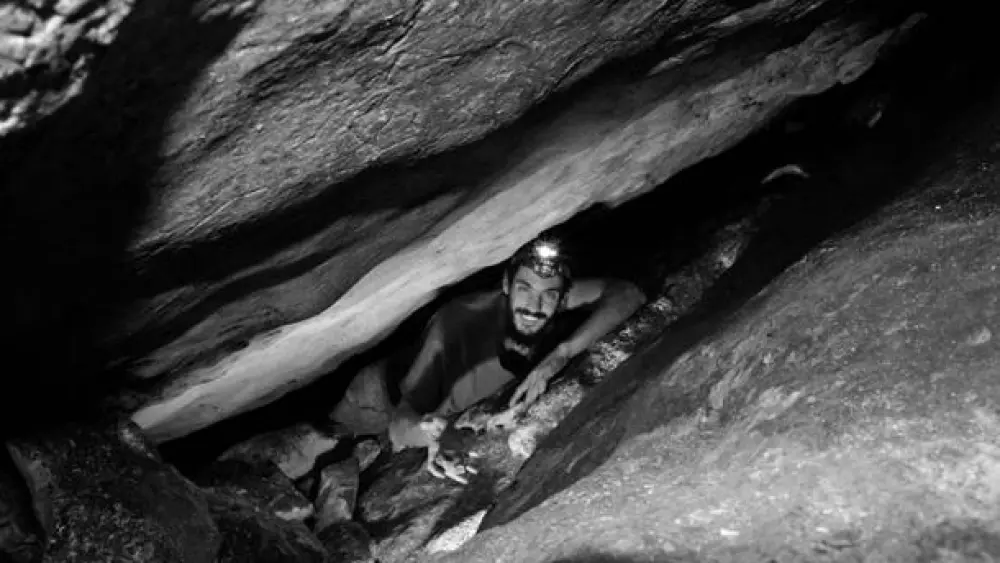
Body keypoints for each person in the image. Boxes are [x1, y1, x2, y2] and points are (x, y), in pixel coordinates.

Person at [387, 233, 647, 482]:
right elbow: (398, 423)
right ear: (506, 286)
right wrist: (427, 433)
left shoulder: (552, 301)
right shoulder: (454, 327)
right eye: (524, 289)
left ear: (562, 298)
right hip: (379, 392)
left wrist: (561, 354)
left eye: (549, 295)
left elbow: (627, 294)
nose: (534, 307)